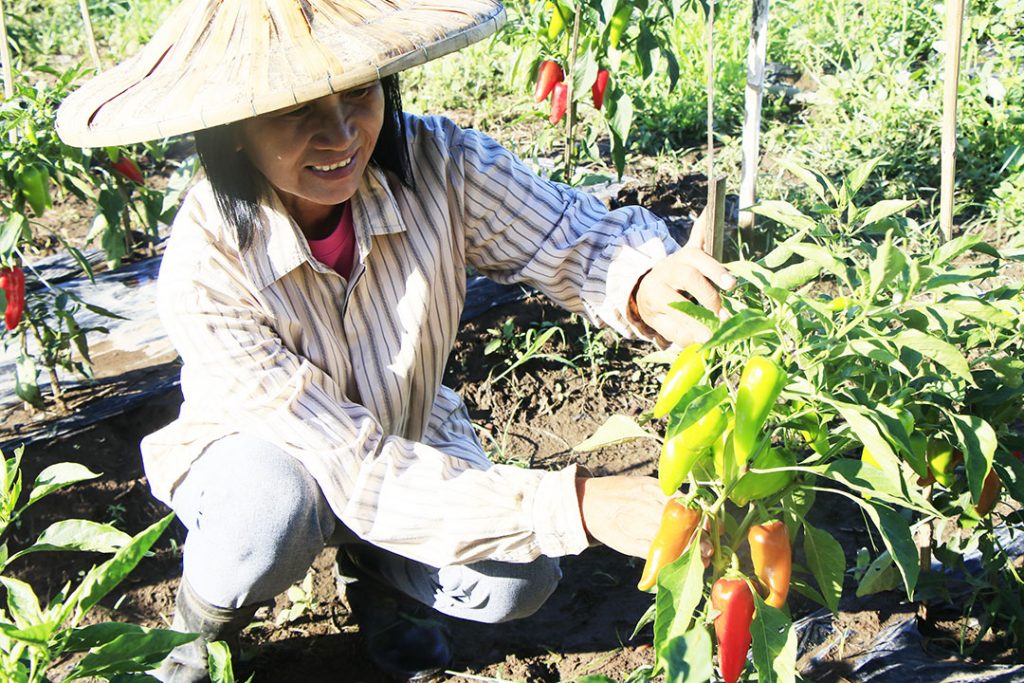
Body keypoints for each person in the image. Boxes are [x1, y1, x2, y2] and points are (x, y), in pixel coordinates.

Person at [56, 0, 735, 680]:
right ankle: (198, 629)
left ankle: (379, 578)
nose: (341, 133)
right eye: (296, 110)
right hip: (265, 462)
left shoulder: (439, 163)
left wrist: (645, 279)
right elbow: (353, 467)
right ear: (232, 131)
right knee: (271, 513)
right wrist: (578, 501)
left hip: (402, 429)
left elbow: (568, 235)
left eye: (358, 90)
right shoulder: (208, 267)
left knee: (516, 578)